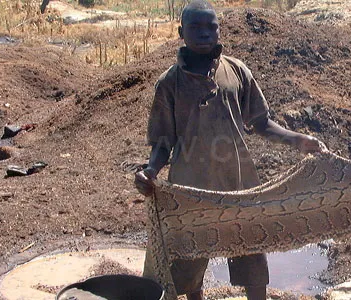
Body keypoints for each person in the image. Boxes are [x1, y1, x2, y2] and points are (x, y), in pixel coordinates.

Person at [133, 1, 327, 299]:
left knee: (252, 261)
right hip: (190, 191)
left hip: (240, 186)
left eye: (211, 27)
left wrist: (300, 140)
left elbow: (262, 123)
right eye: (196, 27)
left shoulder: (237, 72)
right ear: (181, 31)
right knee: (188, 265)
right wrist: (150, 172)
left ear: (219, 31)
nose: (204, 33)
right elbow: (162, 142)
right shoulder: (169, 84)